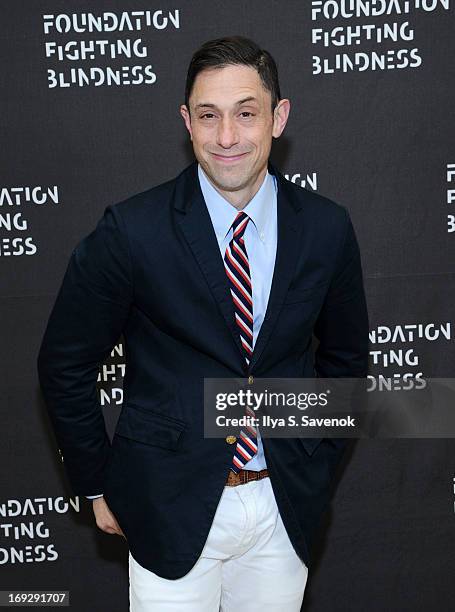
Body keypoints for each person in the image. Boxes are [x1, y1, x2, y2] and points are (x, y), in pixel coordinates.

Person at [37, 36, 369, 611]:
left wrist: (313, 456)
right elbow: (64, 362)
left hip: (281, 507)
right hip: (166, 503)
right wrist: (96, 484)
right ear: (186, 122)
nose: (227, 137)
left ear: (278, 117)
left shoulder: (325, 228)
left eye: (246, 113)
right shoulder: (132, 231)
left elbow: (345, 362)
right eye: (208, 116)